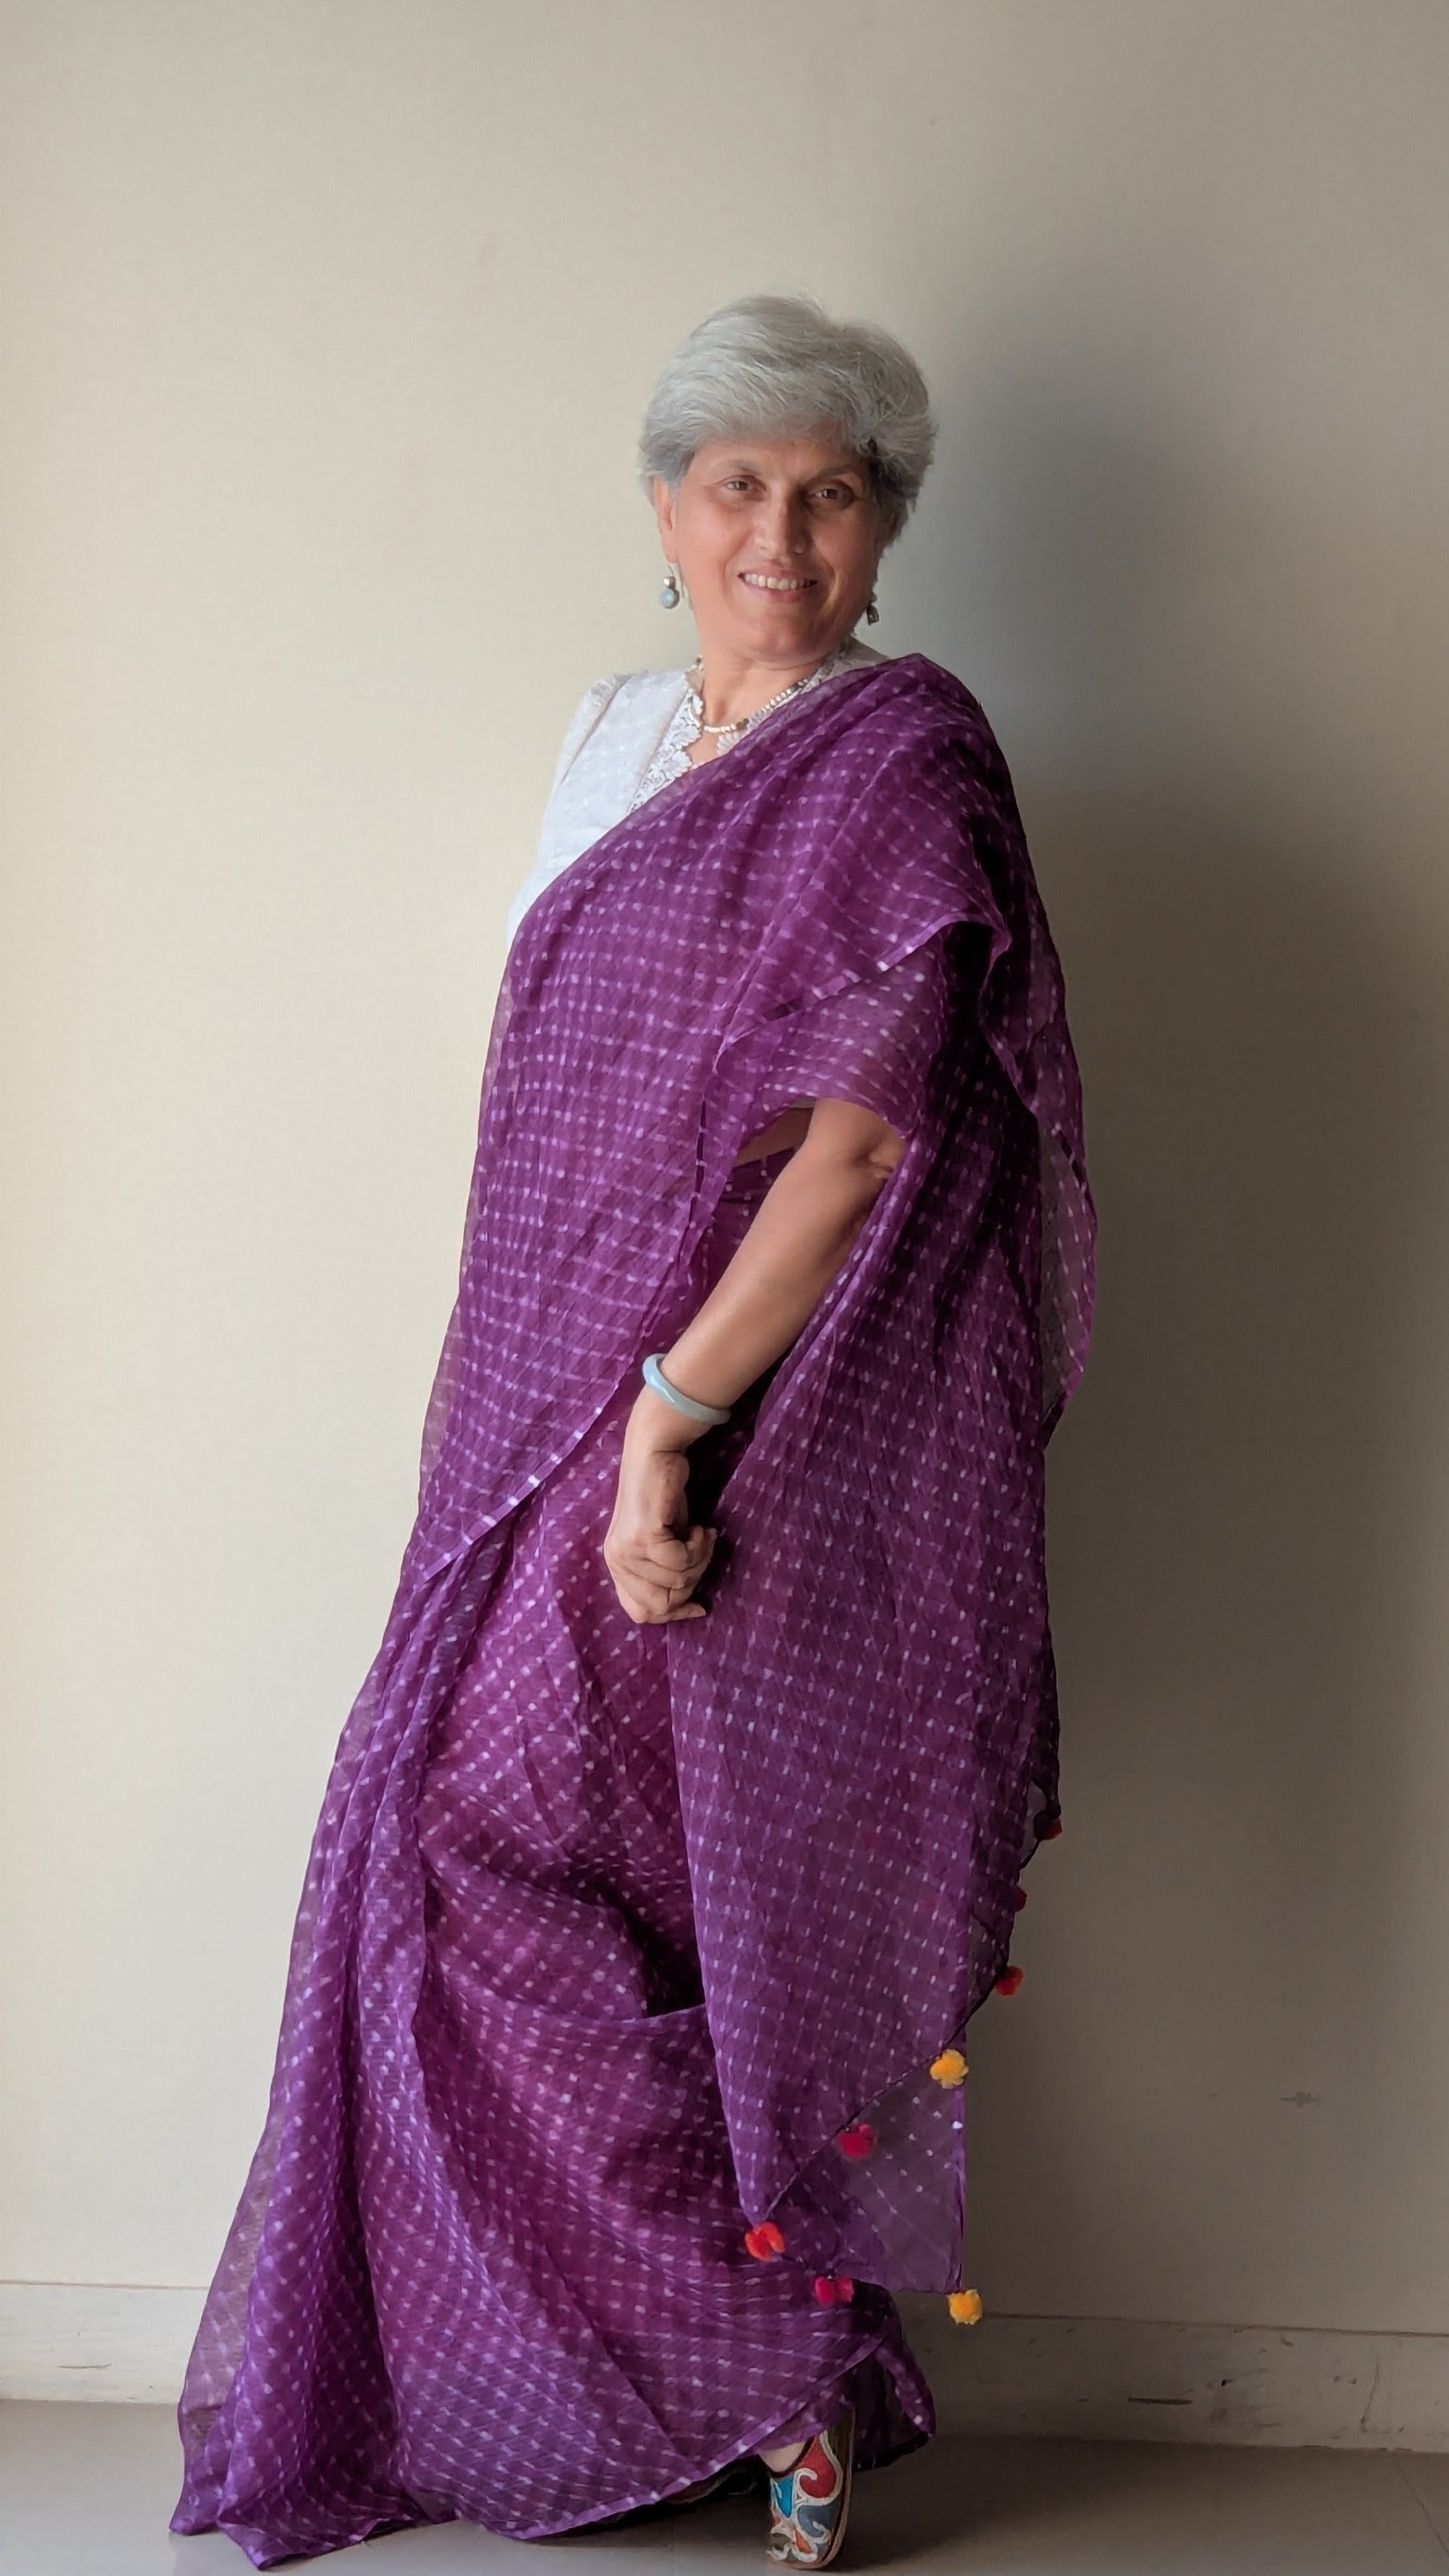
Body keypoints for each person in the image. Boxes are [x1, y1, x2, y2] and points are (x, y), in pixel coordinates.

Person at [171, 294, 1094, 2573]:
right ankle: (723, 2378)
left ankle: (777, 2364)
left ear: (886, 527)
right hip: (527, 1387)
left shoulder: (899, 758)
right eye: (737, 484)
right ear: (665, 507)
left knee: (500, 1859)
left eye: (833, 491)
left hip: (741, 1412)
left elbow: (858, 1142)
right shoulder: (610, 738)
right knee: (577, 1887)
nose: (782, 533)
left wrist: (670, 1430)